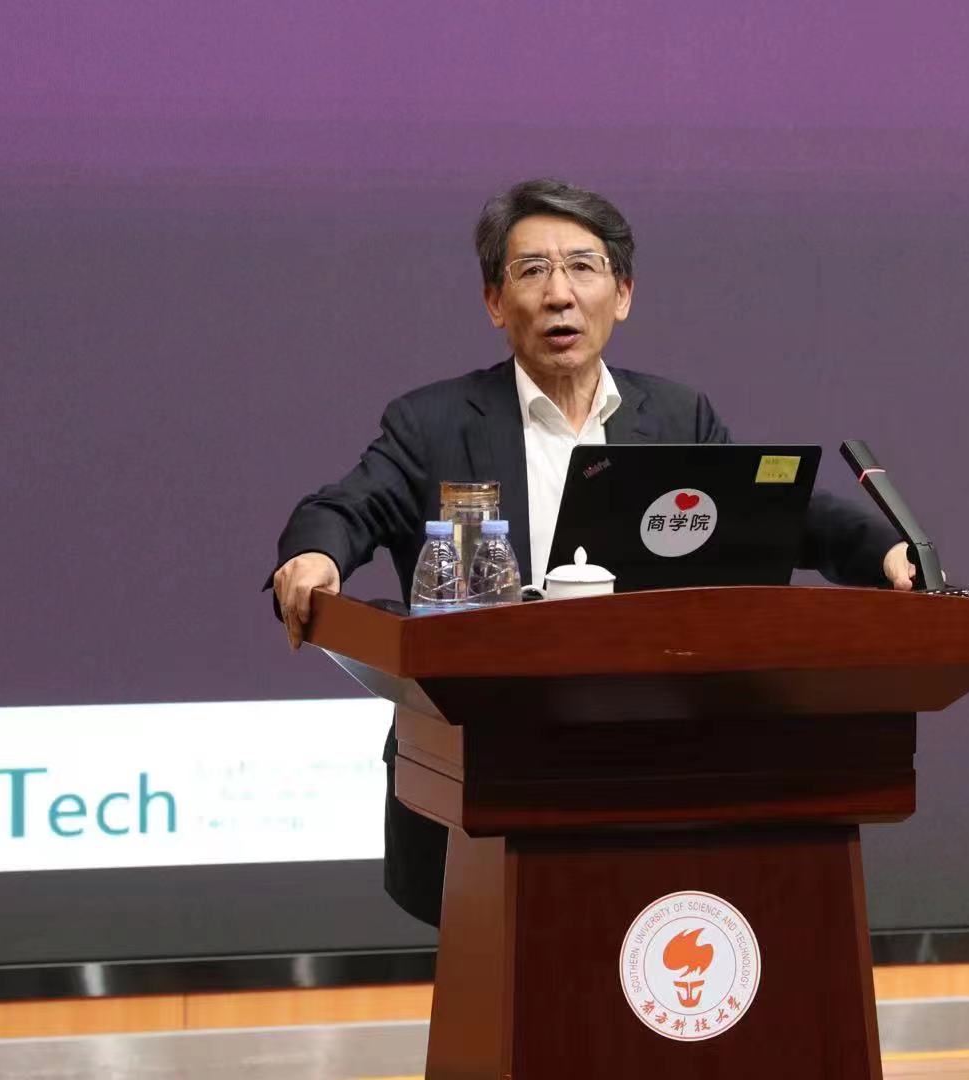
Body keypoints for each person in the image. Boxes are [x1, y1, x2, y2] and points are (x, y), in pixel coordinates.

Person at [267, 178, 915, 927]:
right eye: (532, 270)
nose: (560, 295)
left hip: (653, 766)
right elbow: (346, 506)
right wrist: (316, 556)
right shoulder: (432, 423)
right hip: (489, 766)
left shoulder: (675, 417)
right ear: (495, 301)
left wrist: (883, 553)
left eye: (582, 267)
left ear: (623, 293)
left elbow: (776, 515)